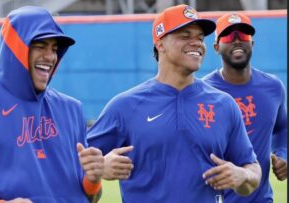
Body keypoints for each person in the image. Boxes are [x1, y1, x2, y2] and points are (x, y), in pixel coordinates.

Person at [84, 5, 261, 202]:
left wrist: (242, 175)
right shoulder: (125, 106)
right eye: (185, 36)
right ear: (160, 44)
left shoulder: (224, 105)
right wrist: (99, 167)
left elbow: (252, 169)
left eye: (200, 38)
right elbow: (75, 165)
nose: (197, 43)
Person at [0, 6, 104, 203]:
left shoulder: (71, 109)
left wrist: (93, 180)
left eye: (54, 49)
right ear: (16, 48)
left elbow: (90, 197)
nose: (50, 57)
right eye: (40, 46)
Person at [202, 12, 287, 203]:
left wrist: (283, 155)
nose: (237, 41)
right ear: (216, 47)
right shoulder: (202, 92)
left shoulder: (273, 87)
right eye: (229, 36)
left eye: (244, 36)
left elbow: (282, 128)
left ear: (252, 44)